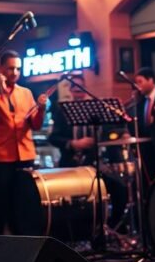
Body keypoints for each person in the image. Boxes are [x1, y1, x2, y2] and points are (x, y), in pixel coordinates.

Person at [0, 50, 48, 234]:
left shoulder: (26, 93)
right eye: (10, 68)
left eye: (18, 68)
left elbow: (36, 125)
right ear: (1, 69)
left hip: (25, 154)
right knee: (0, 206)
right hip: (1, 157)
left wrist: (41, 109)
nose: (15, 72)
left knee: (24, 203)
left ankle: (24, 243)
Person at [47, 80, 129, 229]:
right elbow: (53, 138)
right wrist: (73, 143)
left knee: (119, 189)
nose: (79, 92)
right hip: (71, 164)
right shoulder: (62, 111)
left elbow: (111, 131)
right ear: (71, 91)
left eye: (82, 89)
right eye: (76, 89)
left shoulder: (97, 109)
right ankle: (76, 229)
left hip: (94, 163)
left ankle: (110, 228)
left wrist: (119, 134)